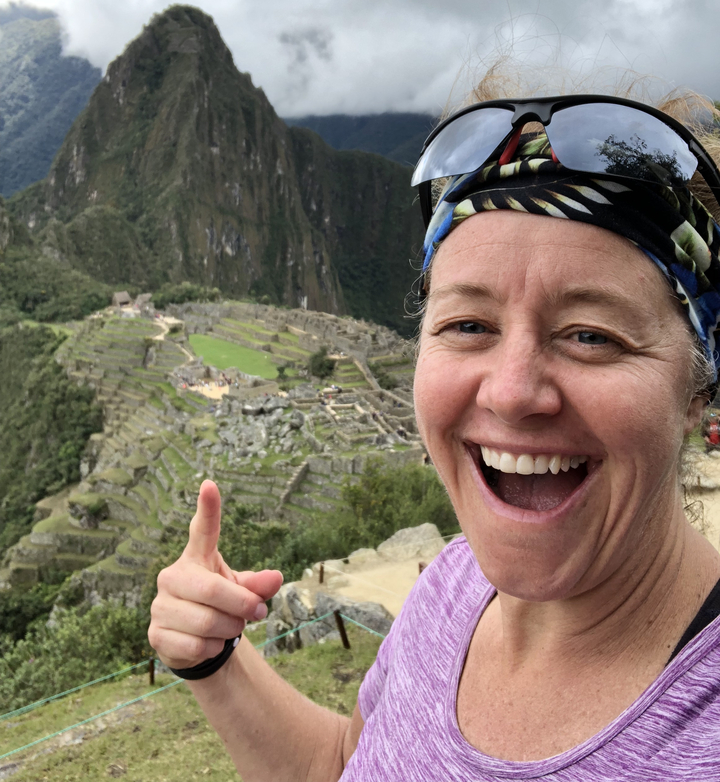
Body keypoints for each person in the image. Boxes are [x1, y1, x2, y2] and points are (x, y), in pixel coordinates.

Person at [149, 84, 720, 780]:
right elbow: (349, 765)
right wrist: (213, 661)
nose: (511, 392)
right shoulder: (451, 584)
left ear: (698, 389)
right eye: (469, 325)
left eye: (591, 336)